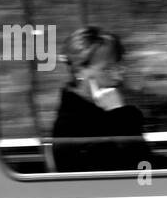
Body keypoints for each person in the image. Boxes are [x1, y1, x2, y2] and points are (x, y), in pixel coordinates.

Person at [51, 27, 152, 173]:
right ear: (80, 71)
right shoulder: (72, 126)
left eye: (118, 68)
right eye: (107, 69)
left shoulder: (102, 114)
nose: (118, 77)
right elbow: (142, 174)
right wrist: (119, 115)